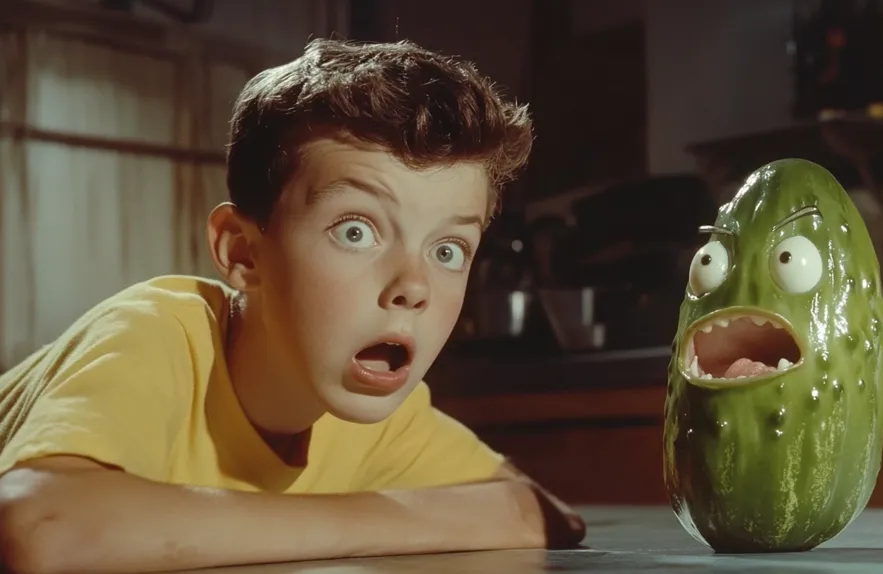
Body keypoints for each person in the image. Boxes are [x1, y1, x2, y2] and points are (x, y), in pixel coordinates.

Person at [0, 38, 585, 573]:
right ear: (242, 252)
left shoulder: (380, 418)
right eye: (356, 231)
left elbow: (538, 513)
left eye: (449, 249)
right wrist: (396, 522)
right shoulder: (158, 334)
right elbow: (38, 526)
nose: (415, 286)